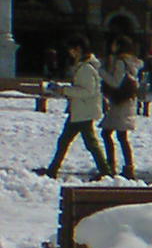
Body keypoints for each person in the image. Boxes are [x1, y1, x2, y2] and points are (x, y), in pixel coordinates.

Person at [38, 35, 112, 179]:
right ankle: (53, 169)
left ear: (78, 49)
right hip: (80, 110)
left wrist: (64, 90)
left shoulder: (86, 68)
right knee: (71, 141)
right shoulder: (85, 66)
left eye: (71, 49)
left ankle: (105, 171)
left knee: (84, 143)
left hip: (82, 110)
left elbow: (87, 91)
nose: (70, 53)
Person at [99, 35, 143, 179]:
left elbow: (115, 82)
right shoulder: (132, 62)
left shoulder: (120, 62)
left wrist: (102, 73)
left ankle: (111, 165)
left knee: (107, 134)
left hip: (119, 103)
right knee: (121, 135)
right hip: (128, 102)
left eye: (115, 44)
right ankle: (128, 167)